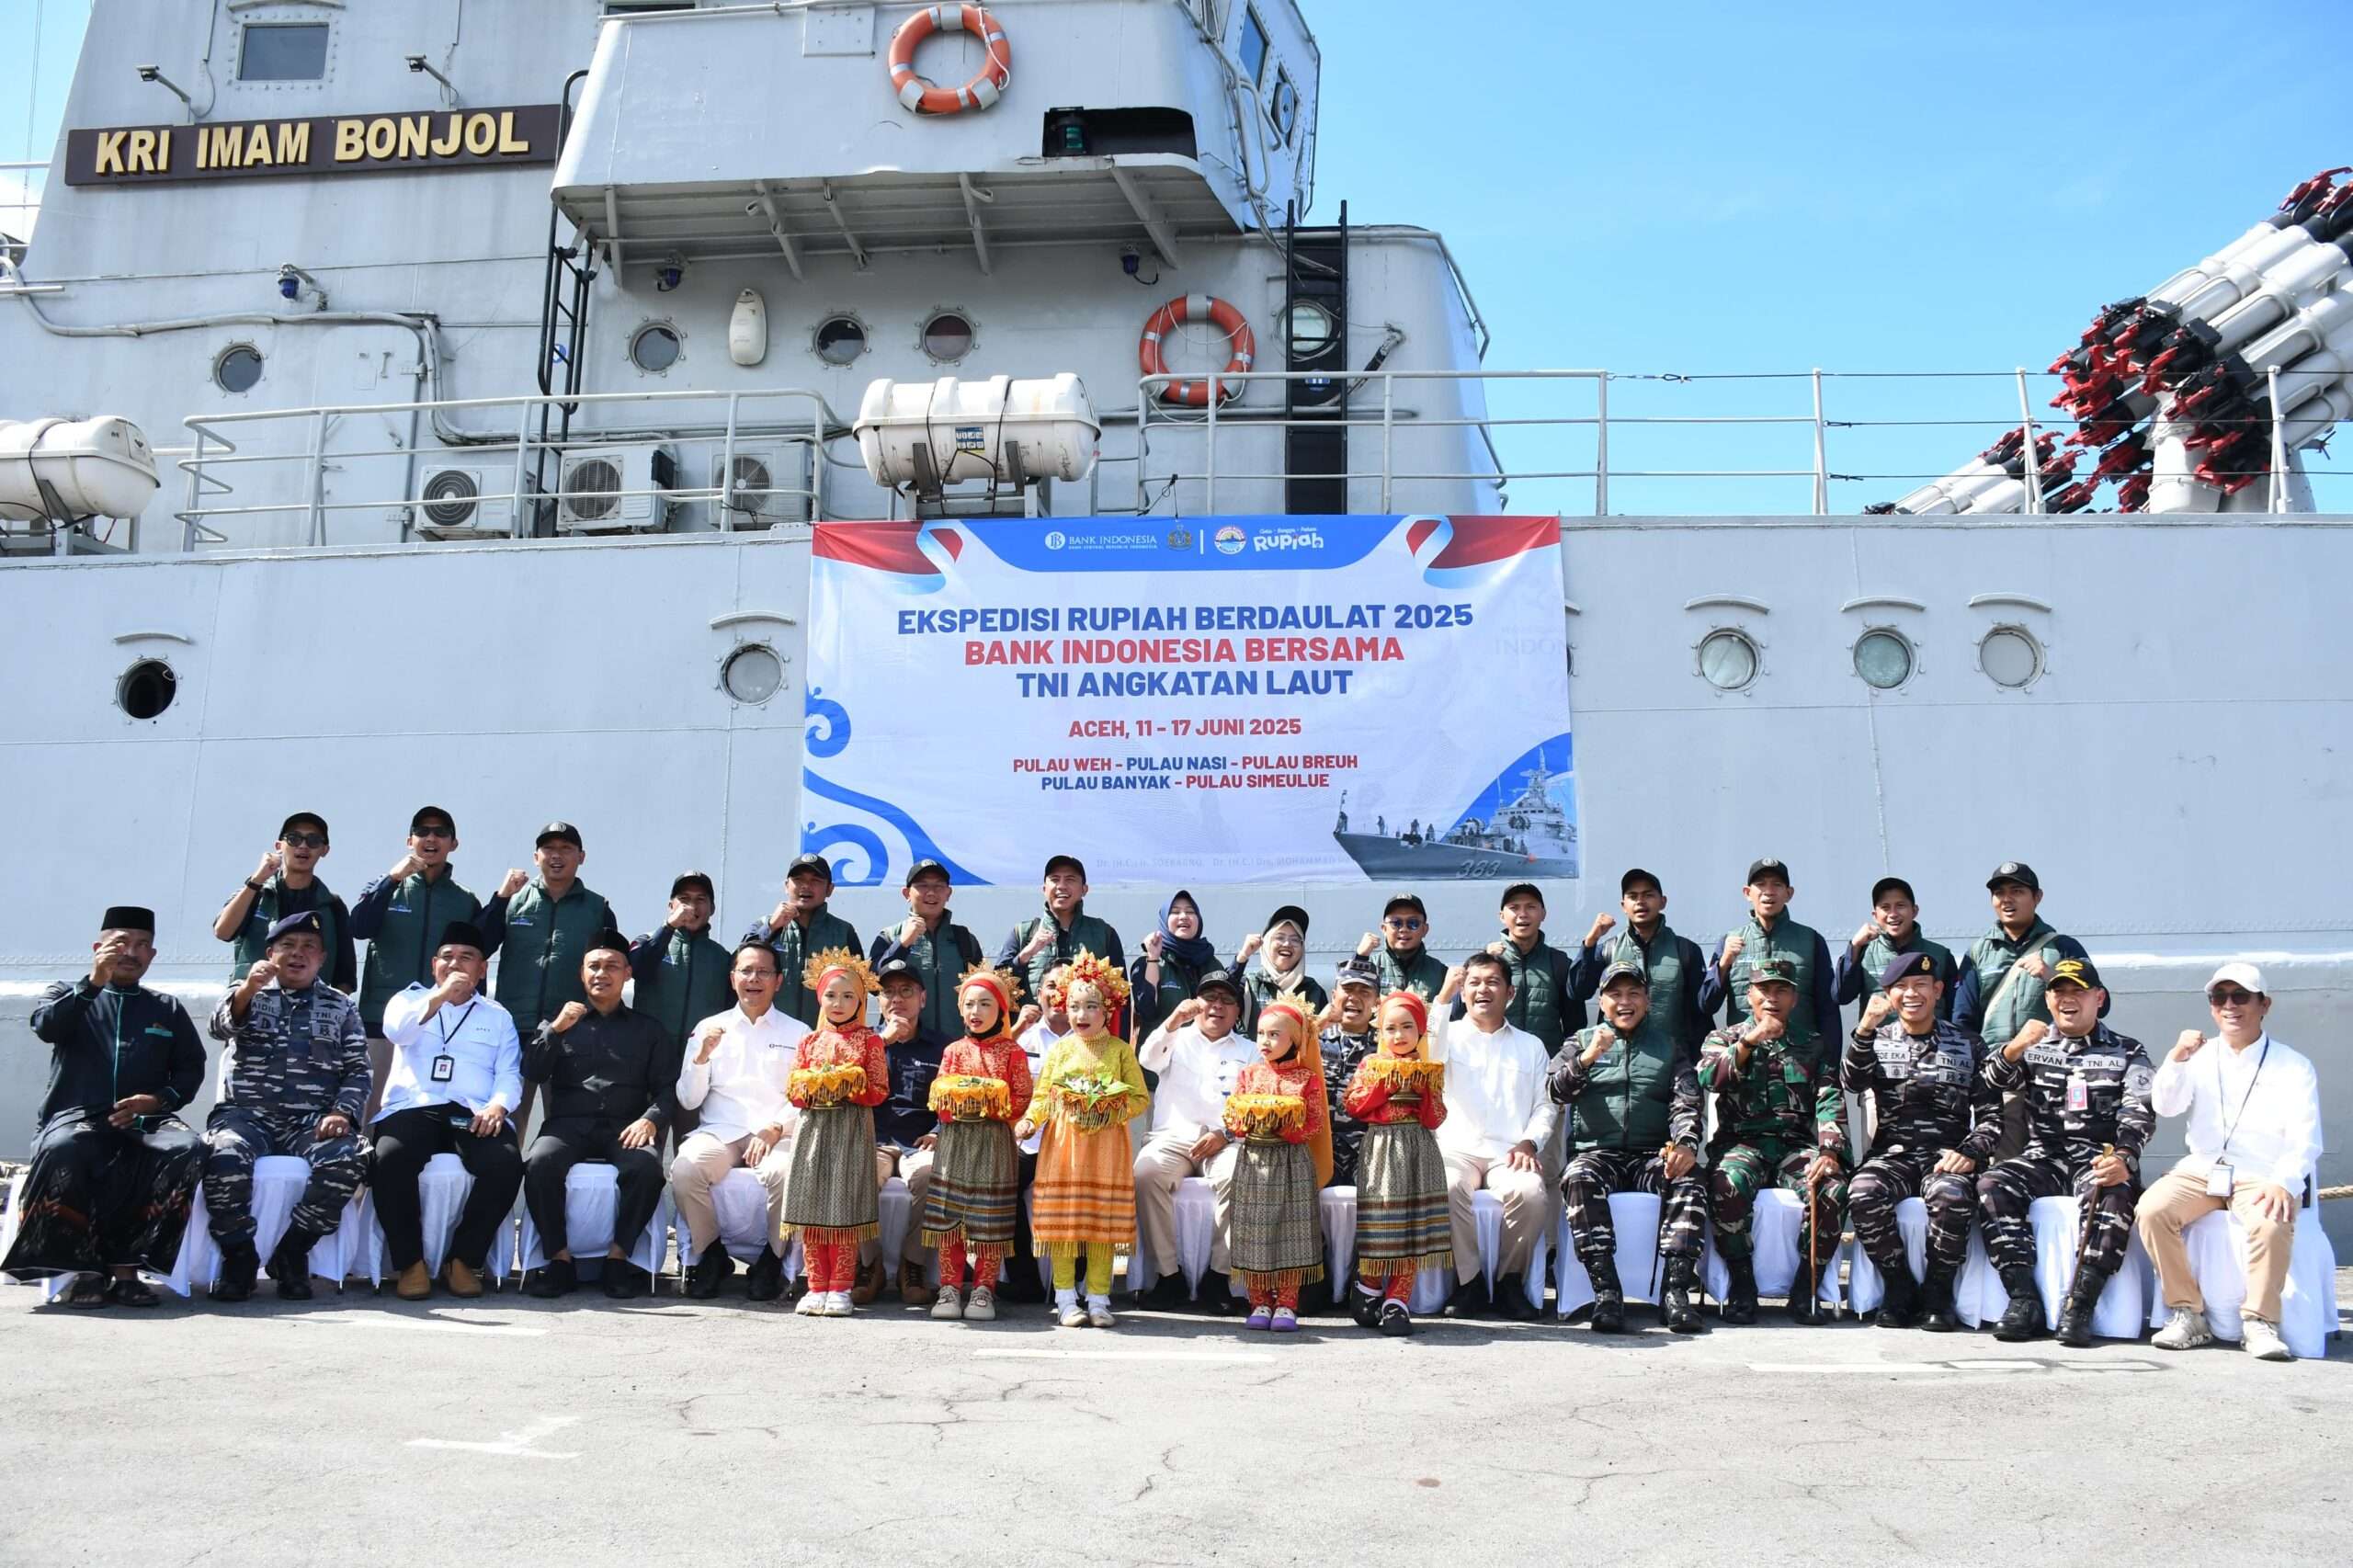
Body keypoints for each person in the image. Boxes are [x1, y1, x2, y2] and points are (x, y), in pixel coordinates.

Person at [3, 905, 205, 1307]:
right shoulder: (65, 994)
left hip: (146, 1119)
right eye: (121, 943)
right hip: (76, 1115)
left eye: (142, 945)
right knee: (65, 1148)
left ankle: (129, 1266)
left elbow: (190, 1070)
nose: (131, 952)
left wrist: (158, 1101)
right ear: (98, 948)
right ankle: (86, 1269)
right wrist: (93, 983)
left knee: (189, 1148)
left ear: (152, 955)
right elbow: (47, 1027)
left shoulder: (166, 1008)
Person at [2138, 962, 2323, 1362]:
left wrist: (2284, 1181)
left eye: (2240, 996)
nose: (2229, 1006)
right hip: (2203, 1168)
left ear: (2264, 1005)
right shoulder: (2198, 1057)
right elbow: (2165, 1106)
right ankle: (2188, 1313)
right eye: (2219, 997)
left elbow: (2306, 1137)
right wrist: (2176, 1058)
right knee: (2151, 1210)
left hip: (2261, 1173)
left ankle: (2259, 1322)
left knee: (2271, 1222)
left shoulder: (2293, 1065)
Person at [1979, 958, 2154, 1346]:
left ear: (2099, 998)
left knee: (2113, 1190)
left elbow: (2140, 1109)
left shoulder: (2127, 1050)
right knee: (1993, 1183)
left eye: (2079, 991)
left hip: (2098, 1156)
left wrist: (2124, 1156)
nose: (2068, 999)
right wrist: (2015, 1046)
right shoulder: (2035, 1046)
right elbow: (1989, 1080)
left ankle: (2080, 1305)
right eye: (2060, 992)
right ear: (2048, 999)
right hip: (2044, 1157)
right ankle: (2023, 1300)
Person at [202, 910, 370, 1302]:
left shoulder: (340, 1006)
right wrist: (249, 989)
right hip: (246, 1116)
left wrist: (342, 1112)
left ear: (322, 958)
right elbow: (219, 1027)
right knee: (222, 1155)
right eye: (288, 946)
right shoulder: (246, 992)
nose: (298, 954)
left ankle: (293, 1253)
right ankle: (239, 1256)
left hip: (311, 1121)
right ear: (270, 954)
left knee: (349, 1157)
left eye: (309, 947)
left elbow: (358, 1070)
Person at [1839, 951, 1998, 1332]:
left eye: (1921, 985)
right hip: (1892, 1155)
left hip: (1947, 1156)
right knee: (1862, 1191)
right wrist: (1864, 1029)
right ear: (1889, 995)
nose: (1911, 994)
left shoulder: (1968, 1044)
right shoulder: (1876, 1039)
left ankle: (1937, 1292)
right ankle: (1899, 1287)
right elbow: (1852, 1082)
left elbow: (1992, 1116)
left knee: (1952, 1195)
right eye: (1901, 987)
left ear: (1938, 990)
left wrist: (1971, 1152)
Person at [1546, 959, 1707, 1335]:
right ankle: (1606, 1291)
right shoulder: (1580, 1042)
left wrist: (1685, 1144)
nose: (1625, 1002)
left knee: (1690, 1177)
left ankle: (1675, 1292)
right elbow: (1554, 1091)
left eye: (1634, 993)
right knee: (1578, 1176)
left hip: (1651, 1155)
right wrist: (1587, 1059)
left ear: (1648, 1000)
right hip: (1597, 1154)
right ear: (1602, 1002)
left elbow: (1686, 1102)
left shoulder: (1668, 1046)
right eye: (1615, 994)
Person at [373, 920, 525, 1300]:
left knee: (506, 1162)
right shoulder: (407, 1000)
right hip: (414, 1107)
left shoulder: (497, 1016)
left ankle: (463, 1260)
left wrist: (498, 1106)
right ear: (433, 965)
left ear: (482, 969)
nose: (455, 964)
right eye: (447, 957)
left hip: (471, 1112)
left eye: (466, 957)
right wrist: (440, 996)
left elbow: (509, 1073)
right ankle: (410, 1263)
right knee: (390, 1156)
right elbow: (397, 1032)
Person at [519, 933, 675, 1300]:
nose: (601, 974)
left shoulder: (648, 1029)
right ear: (582, 973)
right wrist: (555, 1030)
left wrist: (650, 1119)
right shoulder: (560, 1021)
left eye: (611, 967)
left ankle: (618, 1259)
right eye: (594, 966)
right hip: (568, 1125)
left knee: (647, 1170)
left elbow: (669, 1087)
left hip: (625, 1126)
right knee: (539, 1163)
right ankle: (559, 1260)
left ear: (627, 974)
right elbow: (533, 1071)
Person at [1699, 957, 1847, 1325]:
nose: (1772, 998)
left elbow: (1830, 1097)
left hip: (1794, 1146)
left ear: (1794, 998)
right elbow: (1709, 1079)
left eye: (1781, 990)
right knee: (1726, 1183)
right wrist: (1748, 1042)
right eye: (1764, 990)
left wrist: (1829, 1150)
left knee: (1832, 1186)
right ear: (1749, 995)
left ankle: (1805, 1287)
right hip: (1740, 1144)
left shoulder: (1812, 1044)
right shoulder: (1724, 1038)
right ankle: (1742, 1282)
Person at [1017, 951, 1149, 1328]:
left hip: (1107, 1149)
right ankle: (1064, 1299)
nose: (1081, 1014)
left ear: (1107, 1010)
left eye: (1091, 1006)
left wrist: (1110, 1107)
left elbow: (1139, 1098)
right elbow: (1043, 1096)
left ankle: (1098, 1298)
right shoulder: (1060, 1050)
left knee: (1099, 1226)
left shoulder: (1120, 1051)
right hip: (1064, 1149)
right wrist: (1030, 1121)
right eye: (1074, 1006)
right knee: (1066, 1227)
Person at [674, 942, 808, 1301]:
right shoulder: (709, 1027)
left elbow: (803, 1097)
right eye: (746, 971)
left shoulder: (798, 1032)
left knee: (788, 1173)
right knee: (686, 1170)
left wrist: (775, 1128)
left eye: (763, 972)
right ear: (733, 978)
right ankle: (711, 1254)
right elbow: (688, 1099)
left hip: (776, 1133)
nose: (754, 979)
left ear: (778, 981)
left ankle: (771, 1261)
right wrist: (701, 1057)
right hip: (721, 1131)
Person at [1428, 951, 1557, 1319]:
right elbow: (1427, 1053)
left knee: (1531, 1193)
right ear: (1463, 992)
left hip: (1509, 1151)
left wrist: (1530, 1142)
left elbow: (1545, 1105)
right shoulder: (1448, 1036)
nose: (1482, 990)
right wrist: (1443, 997)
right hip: (1457, 1148)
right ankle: (1468, 1281)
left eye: (1492, 982)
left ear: (1510, 993)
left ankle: (1508, 1282)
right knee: (1447, 1186)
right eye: (1474, 983)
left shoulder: (1530, 1045)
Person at [1132, 967, 1258, 1313]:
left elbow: (1256, 1103)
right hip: (1174, 1137)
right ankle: (1168, 1276)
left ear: (1237, 1010)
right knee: (1145, 1174)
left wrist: (1226, 1134)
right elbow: (1147, 1059)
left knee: (1241, 1174)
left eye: (1227, 1000)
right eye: (1210, 997)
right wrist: (1174, 1020)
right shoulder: (1176, 1036)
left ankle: (1218, 1277)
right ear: (1196, 1003)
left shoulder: (1251, 1050)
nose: (1217, 1006)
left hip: (1226, 1140)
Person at [350, 807, 481, 1122]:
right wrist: (392, 879)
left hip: (441, 1022)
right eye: (422, 831)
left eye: (440, 833)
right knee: (371, 1108)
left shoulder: (464, 901)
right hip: (381, 1018)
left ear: (453, 844)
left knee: (427, 1109)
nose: (431, 838)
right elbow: (359, 927)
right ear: (410, 841)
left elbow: (475, 960)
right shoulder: (385, 887)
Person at [920, 964, 1035, 1322]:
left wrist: (990, 1101)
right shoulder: (953, 1051)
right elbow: (939, 1096)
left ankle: (985, 1288)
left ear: (1001, 1009)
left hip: (994, 1142)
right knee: (950, 1218)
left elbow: (1022, 1098)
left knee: (990, 1219)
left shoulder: (1012, 1052)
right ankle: (950, 1287)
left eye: (986, 1004)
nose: (976, 1011)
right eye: (969, 1004)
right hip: (954, 1141)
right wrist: (957, 1101)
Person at [783, 949, 891, 1318]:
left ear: (861, 1001)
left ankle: (841, 1286)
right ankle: (816, 1286)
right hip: (813, 1132)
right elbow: (794, 1092)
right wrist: (813, 1084)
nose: (839, 1003)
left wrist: (849, 1083)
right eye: (831, 995)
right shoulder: (809, 1042)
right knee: (812, 1206)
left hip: (850, 1131)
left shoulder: (870, 1041)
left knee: (844, 1209)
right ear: (820, 998)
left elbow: (879, 1090)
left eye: (848, 996)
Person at [1339, 990, 1450, 1335]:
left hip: (1418, 1148)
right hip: (1382, 1148)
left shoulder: (1428, 1069)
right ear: (1380, 1031)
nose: (1399, 1035)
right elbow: (1353, 1105)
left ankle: (1397, 1301)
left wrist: (1426, 1089)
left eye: (1407, 1027)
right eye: (1390, 1028)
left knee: (1412, 1224)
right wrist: (1386, 1086)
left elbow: (1435, 1118)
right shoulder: (1371, 1065)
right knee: (1381, 1219)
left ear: (1421, 1030)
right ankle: (1369, 1284)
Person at [1221, 998, 1331, 1332]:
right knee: (1254, 1229)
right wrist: (1248, 1120)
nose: (1265, 1041)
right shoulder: (1249, 1075)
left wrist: (1284, 1125)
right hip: (1254, 1160)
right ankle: (1258, 1301)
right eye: (1261, 1033)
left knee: (1291, 1230)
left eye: (1274, 1035)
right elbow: (1232, 1118)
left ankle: (1286, 1302)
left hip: (1291, 1161)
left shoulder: (1307, 1079)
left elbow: (1314, 1122)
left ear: (1294, 1039)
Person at [479, 821, 617, 1035]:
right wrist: (500, 899)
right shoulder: (513, 901)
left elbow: (613, 968)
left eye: (566, 848)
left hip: (573, 1028)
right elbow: (481, 948)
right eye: (548, 848)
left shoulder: (598, 909)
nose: (556, 855)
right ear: (536, 857)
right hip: (513, 1027)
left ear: (581, 857)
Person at [869, 954, 947, 1306]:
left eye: (906, 991)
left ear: (923, 998)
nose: (897, 999)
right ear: (879, 1000)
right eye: (888, 992)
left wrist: (938, 1130)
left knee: (931, 1175)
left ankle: (912, 1266)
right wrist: (882, 1043)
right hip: (875, 1140)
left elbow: (955, 1095)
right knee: (858, 1172)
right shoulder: (865, 1042)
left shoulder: (942, 1047)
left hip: (920, 1142)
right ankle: (868, 1265)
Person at [1699, 858, 1839, 1053]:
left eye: (1777, 885)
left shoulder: (1811, 940)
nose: (1769, 891)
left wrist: (1830, 1059)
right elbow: (1706, 1004)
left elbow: (1828, 1009)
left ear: (1789, 893)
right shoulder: (1729, 941)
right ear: (1747, 893)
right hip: (1745, 1056)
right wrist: (1723, 964)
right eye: (1760, 884)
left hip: (1799, 1058)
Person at [1952, 862, 2092, 1055]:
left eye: (2017, 891)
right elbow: (1962, 1019)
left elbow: (2100, 1005)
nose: (2006, 899)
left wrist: (2051, 976)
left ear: (2037, 897)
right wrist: (1980, 1058)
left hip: (2049, 1060)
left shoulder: (2064, 947)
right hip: (1995, 1059)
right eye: (1999, 893)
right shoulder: (1977, 952)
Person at [213, 812, 356, 994]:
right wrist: (257, 880)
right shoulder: (255, 892)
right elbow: (223, 932)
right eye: (294, 839)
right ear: (279, 846)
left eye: (313, 841)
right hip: (255, 999)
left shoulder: (332, 905)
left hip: (309, 1006)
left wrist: (332, 1007)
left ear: (324, 850)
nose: (303, 846)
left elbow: (345, 973)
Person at [629, 872, 733, 1116]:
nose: (692, 907)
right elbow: (637, 969)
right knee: (646, 1133)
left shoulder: (721, 957)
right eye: (684, 899)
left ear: (712, 908)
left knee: (691, 1135)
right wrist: (668, 927)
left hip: (696, 1067)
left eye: (700, 899)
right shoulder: (648, 941)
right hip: (649, 1064)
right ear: (671, 906)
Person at [1462, 882, 1605, 1056]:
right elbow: (1459, 1015)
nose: (1523, 914)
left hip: (1545, 1064)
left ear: (1543, 914)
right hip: (1495, 1062)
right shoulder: (1486, 962)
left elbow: (1575, 1024)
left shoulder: (1558, 962)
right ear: (1502, 916)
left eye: (1531, 907)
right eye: (1514, 908)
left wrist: (1565, 1062)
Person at [1577, 869, 1709, 1055]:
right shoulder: (1609, 949)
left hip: (1672, 1058)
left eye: (1648, 895)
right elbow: (1578, 991)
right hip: (1619, 1058)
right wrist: (1590, 942)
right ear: (1623, 905)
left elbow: (1700, 1012)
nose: (1640, 901)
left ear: (1663, 902)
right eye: (1633, 896)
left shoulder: (1685, 950)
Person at [870, 859, 984, 1050]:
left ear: (948, 893)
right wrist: (902, 944)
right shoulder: (889, 936)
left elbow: (983, 992)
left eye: (938, 886)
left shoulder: (964, 939)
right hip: (903, 1047)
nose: (931, 893)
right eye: (922, 886)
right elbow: (873, 985)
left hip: (957, 1047)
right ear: (906, 893)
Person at [743, 852, 864, 1027]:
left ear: (830, 889)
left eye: (815, 881)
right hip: (770, 1031)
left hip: (824, 1035)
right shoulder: (763, 924)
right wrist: (772, 927)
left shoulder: (843, 931)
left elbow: (859, 988)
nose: (806, 886)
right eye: (798, 880)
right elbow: (740, 967)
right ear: (786, 886)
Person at [995, 854, 1126, 1014]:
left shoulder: (1104, 933)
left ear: (1084, 890)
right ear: (1044, 889)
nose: (1061, 886)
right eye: (1055, 879)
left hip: (1085, 1028)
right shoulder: (1022, 932)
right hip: (1035, 1028)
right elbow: (996, 987)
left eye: (1070, 879)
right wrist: (1025, 955)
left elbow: (1121, 996)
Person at [1831, 876, 1957, 1027]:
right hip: (1879, 1040)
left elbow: (1955, 1008)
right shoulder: (1864, 953)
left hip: (1931, 1040)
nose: (1893, 914)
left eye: (1900, 905)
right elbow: (1841, 996)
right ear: (1875, 916)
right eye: (1885, 907)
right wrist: (1854, 947)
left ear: (1914, 911)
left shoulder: (1940, 955)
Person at [1317, 955, 1383, 1189]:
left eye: (1364, 992)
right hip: (1319, 1148)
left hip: (1367, 1151)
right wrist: (1318, 1024)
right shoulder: (1312, 1039)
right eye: (1347, 989)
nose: (1354, 997)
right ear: (1334, 995)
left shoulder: (1386, 1047)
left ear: (1377, 1003)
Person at [1128, 889, 1223, 1041]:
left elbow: (1227, 1005)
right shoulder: (1147, 960)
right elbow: (1147, 1011)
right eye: (1175, 912)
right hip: (1161, 1051)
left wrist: (1242, 959)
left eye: (1190, 911)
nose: (1183, 916)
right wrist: (1153, 958)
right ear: (1164, 920)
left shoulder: (1211, 961)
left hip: (1205, 1050)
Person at [1237, 904, 1328, 1031]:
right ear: (1266, 943)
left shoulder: (1314, 990)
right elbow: (1218, 997)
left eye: (1295, 940)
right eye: (1280, 937)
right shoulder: (1249, 985)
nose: (1287, 944)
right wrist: (1242, 957)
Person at [1370, 893, 1447, 1001]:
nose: (1404, 929)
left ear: (1425, 929)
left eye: (1413, 923)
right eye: (1396, 923)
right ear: (1384, 929)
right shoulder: (1369, 966)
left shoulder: (1440, 972)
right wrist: (1359, 957)